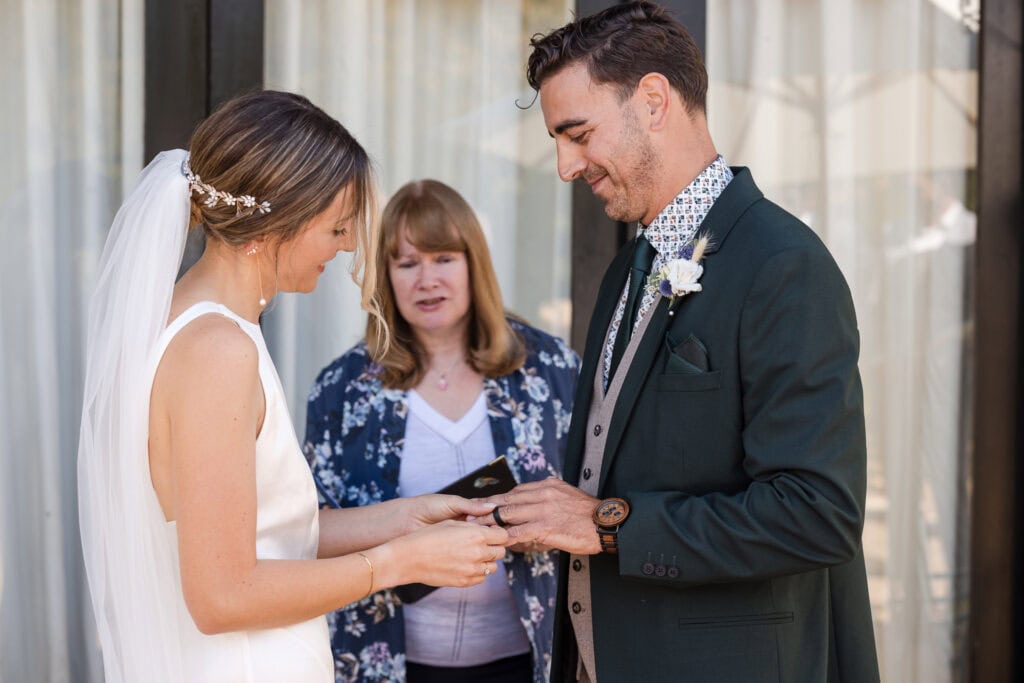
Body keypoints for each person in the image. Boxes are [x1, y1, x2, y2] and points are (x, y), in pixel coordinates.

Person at [478, 3, 880, 681]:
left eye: (578, 134)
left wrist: (607, 523)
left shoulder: (783, 265)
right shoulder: (623, 271)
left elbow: (818, 512)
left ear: (654, 100)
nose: (564, 166)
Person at [77, 91, 509, 683]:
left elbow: (267, 532)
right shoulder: (216, 351)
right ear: (275, 221)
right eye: (336, 226)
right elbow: (223, 595)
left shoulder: (192, 324)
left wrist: (407, 519)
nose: (350, 246)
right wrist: (396, 563)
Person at [304, 179, 580, 683]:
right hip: (385, 663)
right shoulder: (343, 389)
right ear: (385, 278)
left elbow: (592, 497)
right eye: (406, 264)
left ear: (474, 263)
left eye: (444, 258)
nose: (426, 279)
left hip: (530, 660)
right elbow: (306, 531)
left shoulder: (551, 369)